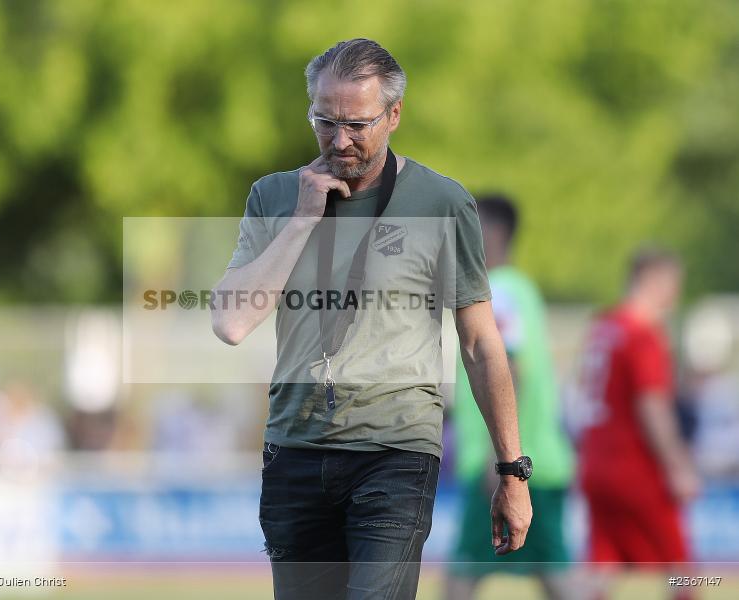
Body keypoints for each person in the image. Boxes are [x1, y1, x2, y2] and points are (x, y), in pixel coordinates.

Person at [211, 39, 532, 599]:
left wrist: (512, 470)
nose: (339, 141)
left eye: (357, 124)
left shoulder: (442, 202)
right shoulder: (275, 195)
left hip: (396, 452)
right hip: (295, 447)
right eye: (324, 121)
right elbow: (231, 324)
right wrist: (301, 222)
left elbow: (480, 343)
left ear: (394, 115)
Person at [445, 195, 575, 599]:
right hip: (532, 463)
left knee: (462, 575)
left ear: (494, 233)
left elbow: (508, 370)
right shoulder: (520, 289)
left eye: (469, 227)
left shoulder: (496, 291)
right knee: (553, 575)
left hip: (512, 466)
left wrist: (499, 460)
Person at [576, 247, 700, 599]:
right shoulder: (643, 333)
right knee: (683, 572)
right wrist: (678, 466)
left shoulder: (603, 326)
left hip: (595, 465)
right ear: (654, 282)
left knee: (603, 566)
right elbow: (652, 407)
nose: (675, 294)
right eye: (673, 284)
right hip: (635, 468)